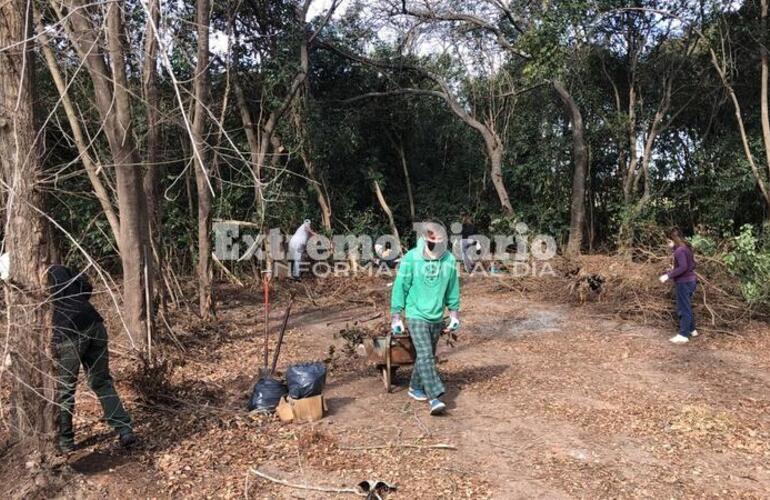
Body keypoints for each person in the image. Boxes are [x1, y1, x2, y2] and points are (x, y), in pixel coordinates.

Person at [48, 264, 137, 452]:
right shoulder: (59, 269)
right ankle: (124, 429)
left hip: (68, 334)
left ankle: (65, 441)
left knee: (64, 389)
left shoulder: (32, 281)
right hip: (94, 324)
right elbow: (87, 287)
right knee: (102, 381)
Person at [390, 223, 460, 415]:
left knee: (424, 357)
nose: (436, 243)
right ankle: (434, 397)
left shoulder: (449, 260)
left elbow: (452, 288)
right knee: (427, 354)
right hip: (416, 314)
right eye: (432, 239)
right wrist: (396, 316)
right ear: (425, 239)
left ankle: (414, 387)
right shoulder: (411, 259)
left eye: (439, 239)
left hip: (436, 315)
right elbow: (400, 287)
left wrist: (454, 314)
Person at [658, 228, 698, 344]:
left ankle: (683, 335)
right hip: (691, 281)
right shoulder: (686, 248)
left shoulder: (679, 251)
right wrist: (675, 269)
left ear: (673, 240)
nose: (668, 244)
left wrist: (668, 275)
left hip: (684, 283)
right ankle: (692, 329)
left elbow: (683, 267)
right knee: (687, 306)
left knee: (682, 308)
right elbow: (691, 265)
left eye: (668, 242)